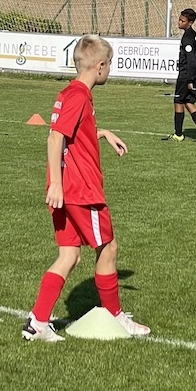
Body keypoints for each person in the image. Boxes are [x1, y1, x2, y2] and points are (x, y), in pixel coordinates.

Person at [23, 34, 150, 342]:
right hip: (80, 189)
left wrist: (102, 133)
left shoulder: (71, 92)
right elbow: (55, 137)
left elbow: (72, 131)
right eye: (110, 64)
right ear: (100, 66)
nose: (110, 70)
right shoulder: (79, 96)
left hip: (67, 189)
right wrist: (57, 183)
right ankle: (116, 316)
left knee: (70, 255)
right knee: (108, 248)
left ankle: (38, 322)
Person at [163, 8, 196, 142]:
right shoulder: (192, 34)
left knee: (178, 101)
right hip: (194, 73)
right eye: (179, 19)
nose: (179, 22)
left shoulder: (187, 38)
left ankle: (178, 134)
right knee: (188, 102)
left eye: (182, 21)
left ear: (190, 22)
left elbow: (190, 60)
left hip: (187, 74)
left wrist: (190, 80)